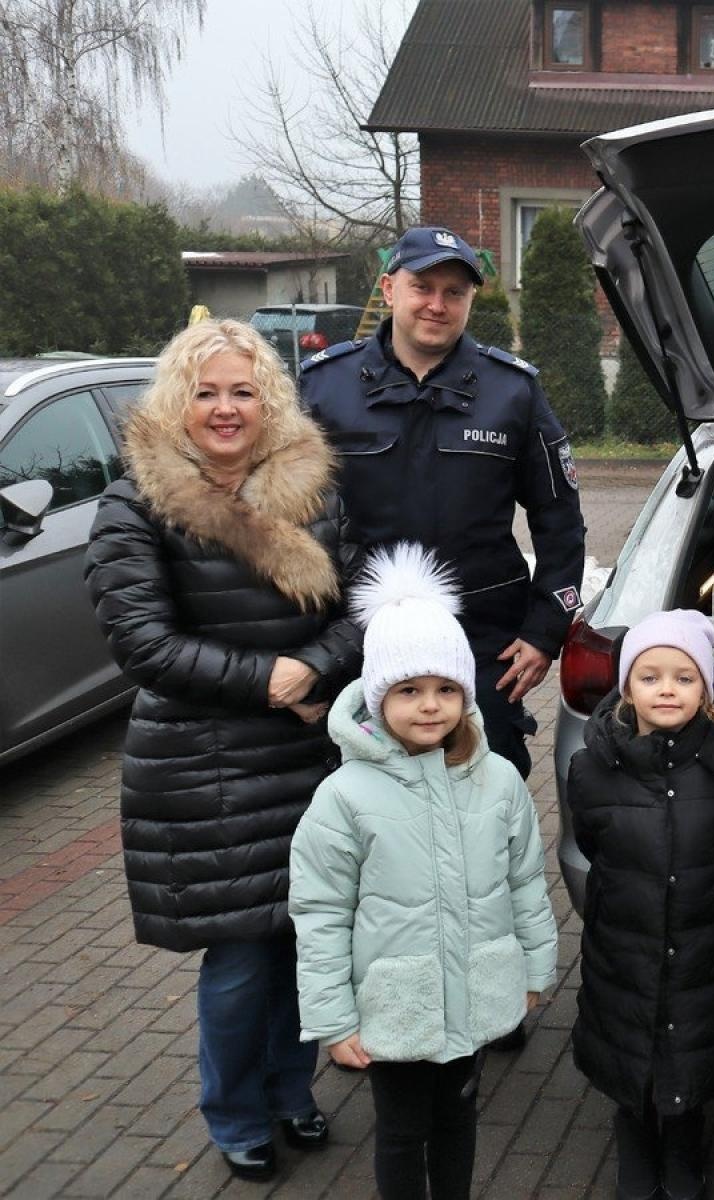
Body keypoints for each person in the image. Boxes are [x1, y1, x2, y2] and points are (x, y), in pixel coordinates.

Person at [84, 319, 362, 1182]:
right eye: (206, 392)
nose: (226, 408)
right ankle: (236, 1112)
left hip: (306, 755)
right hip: (204, 762)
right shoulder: (135, 504)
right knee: (242, 953)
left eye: (244, 390)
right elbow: (143, 644)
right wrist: (271, 679)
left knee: (297, 941)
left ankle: (289, 1091)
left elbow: (358, 610)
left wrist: (314, 665)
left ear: (268, 398)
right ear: (178, 400)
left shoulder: (316, 489)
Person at [288, 544, 559, 1200]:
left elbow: (525, 879)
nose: (430, 706)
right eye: (408, 690)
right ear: (378, 696)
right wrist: (335, 1017)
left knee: (460, 1118)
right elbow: (321, 912)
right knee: (403, 1130)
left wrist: (533, 968)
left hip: (475, 989)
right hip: (394, 1004)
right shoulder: (345, 796)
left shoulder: (495, 781)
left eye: (445, 689)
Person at [300, 224, 586, 781]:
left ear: (470, 300)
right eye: (422, 287)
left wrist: (544, 631)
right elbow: (283, 519)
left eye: (454, 292)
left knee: (486, 789)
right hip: (354, 636)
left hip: (481, 643)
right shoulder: (323, 388)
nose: (437, 304)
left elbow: (560, 519)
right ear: (389, 289)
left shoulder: (513, 391)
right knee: (360, 794)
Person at [566, 610, 714, 1200]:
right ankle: (634, 1134)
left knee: (689, 1041)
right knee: (628, 1038)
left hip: (701, 935)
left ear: (706, 688)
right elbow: (593, 839)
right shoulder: (593, 766)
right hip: (625, 933)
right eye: (650, 677)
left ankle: (683, 1140)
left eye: (684, 677)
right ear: (627, 687)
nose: (667, 689)